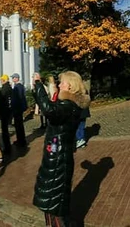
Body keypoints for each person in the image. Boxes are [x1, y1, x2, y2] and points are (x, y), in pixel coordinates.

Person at [32, 72, 90, 227]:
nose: (59, 85)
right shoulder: (67, 105)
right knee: (51, 202)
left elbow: (49, 110)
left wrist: (38, 84)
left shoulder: (68, 106)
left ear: (69, 86)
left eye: (62, 83)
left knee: (54, 204)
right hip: (56, 155)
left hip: (58, 159)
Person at [11, 73, 28, 147]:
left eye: (13, 78)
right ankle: (21, 140)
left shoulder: (17, 87)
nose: (12, 79)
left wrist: (13, 107)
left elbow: (17, 98)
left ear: (16, 78)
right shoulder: (21, 86)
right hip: (20, 108)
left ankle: (20, 141)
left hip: (17, 108)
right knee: (19, 125)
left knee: (18, 125)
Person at [0, 75, 13, 157]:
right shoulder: (9, 88)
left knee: (4, 131)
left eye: (1, 80)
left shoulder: (4, 89)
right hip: (8, 111)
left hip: (4, 112)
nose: (0, 81)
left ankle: (7, 148)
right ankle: (8, 146)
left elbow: (2, 101)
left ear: (4, 80)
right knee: (5, 130)